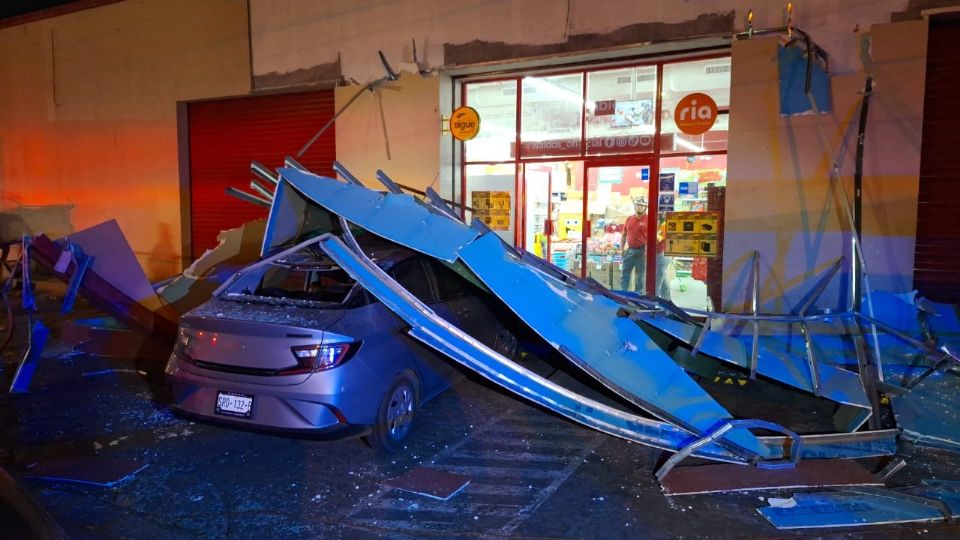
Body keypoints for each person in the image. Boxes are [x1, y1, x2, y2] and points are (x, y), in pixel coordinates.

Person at [619, 198, 648, 292]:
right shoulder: (629, 218)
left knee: (640, 275)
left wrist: (647, 251)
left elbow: (653, 237)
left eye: (641, 205)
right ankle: (623, 293)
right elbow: (624, 234)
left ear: (645, 207)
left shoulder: (649, 219)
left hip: (642, 250)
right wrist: (621, 248)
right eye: (637, 205)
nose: (638, 207)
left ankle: (638, 295)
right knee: (625, 272)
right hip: (630, 250)